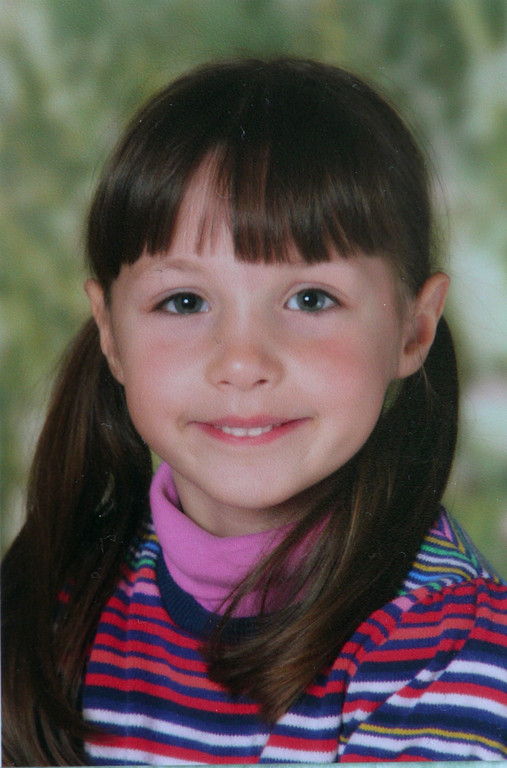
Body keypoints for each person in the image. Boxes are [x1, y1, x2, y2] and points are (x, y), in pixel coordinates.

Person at [2, 58, 506, 766]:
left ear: (412, 329)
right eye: (183, 301)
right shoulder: (55, 607)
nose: (241, 362)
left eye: (310, 299)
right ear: (110, 333)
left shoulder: (453, 651)